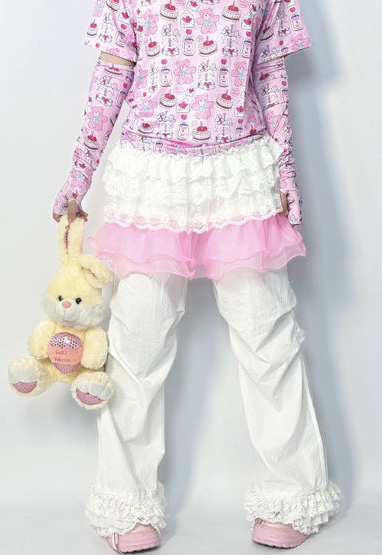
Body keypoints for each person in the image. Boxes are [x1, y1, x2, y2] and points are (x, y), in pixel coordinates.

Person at [52, 0, 341, 551]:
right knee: (137, 342)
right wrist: (78, 177)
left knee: (267, 335)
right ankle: (125, 498)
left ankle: (294, 491)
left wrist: (286, 170)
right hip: (152, 177)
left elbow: (270, 73)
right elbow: (110, 77)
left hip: (240, 173)